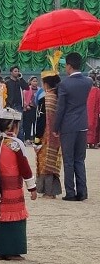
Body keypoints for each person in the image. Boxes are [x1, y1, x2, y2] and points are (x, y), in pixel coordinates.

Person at [0, 107, 37, 260]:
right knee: (13, 220)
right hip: (11, 191)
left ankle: (0, 250)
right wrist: (32, 187)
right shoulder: (14, 145)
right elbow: (25, 168)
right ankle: (12, 251)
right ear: (13, 126)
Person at [54, 52, 92, 201]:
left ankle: (70, 192)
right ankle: (82, 192)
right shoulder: (88, 82)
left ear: (69, 66)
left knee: (68, 160)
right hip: (82, 123)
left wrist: (55, 128)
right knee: (80, 160)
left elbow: (60, 109)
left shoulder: (64, 84)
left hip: (68, 126)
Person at [34, 65, 62, 198]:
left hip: (45, 135)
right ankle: (53, 191)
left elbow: (40, 120)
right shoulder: (59, 98)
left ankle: (48, 191)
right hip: (57, 135)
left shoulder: (43, 99)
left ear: (45, 84)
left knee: (44, 162)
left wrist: (36, 139)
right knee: (53, 161)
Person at [22, 76, 39, 143]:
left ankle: (35, 139)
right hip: (28, 109)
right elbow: (23, 98)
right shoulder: (26, 89)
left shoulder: (39, 90)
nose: (35, 83)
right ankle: (27, 138)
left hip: (37, 109)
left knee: (36, 124)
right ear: (30, 82)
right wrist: (27, 105)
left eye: (36, 81)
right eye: (33, 81)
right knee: (27, 124)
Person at [86, 78, 100, 149]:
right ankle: (92, 143)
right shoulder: (97, 90)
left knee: (88, 126)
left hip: (87, 113)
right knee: (94, 127)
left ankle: (88, 143)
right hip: (94, 113)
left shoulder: (84, 90)